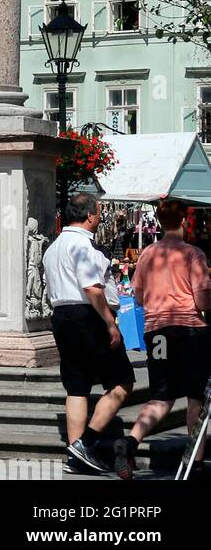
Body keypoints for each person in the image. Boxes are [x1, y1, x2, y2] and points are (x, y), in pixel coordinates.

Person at [114, 197, 211, 479]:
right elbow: (203, 300)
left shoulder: (147, 254)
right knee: (195, 397)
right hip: (189, 329)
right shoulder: (192, 254)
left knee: (161, 396)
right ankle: (195, 459)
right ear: (183, 221)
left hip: (157, 330)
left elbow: (139, 296)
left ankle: (129, 442)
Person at [41, 192, 135, 475]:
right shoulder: (82, 246)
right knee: (122, 381)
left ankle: (74, 454)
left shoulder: (53, 247)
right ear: (91, 215)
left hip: (62, 315)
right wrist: (109, 322)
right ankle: (87, 441)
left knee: (77, 386)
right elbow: (92, 288)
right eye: (98, 212)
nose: (99, 217)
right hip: (87, 316)